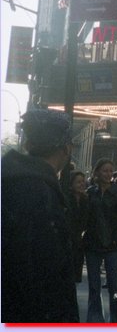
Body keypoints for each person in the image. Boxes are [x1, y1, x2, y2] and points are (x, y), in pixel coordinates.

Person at [1, 109, 79, 322]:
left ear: (28, 145)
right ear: (66, 149)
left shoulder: (10, 183)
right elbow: (45, 273)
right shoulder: (41, 194)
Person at [84, 158, 117, 322]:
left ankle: (114, 320)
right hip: (93, 244)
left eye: (111, 171)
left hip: (113, 245)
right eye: (105, 170)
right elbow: (85, 217)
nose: (108, 174)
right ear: (97, 172)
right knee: (94, 286)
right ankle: (94, 319)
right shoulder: (90, 192)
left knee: (114, 287)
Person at [68, 170, 90, 283]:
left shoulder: (85, 200)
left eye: (83, 182)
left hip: (78, 243)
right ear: (71, 184)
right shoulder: (66, 199)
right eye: (78, 182)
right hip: (66, 242)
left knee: (75, 277)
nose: (82, 184)